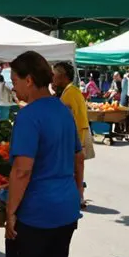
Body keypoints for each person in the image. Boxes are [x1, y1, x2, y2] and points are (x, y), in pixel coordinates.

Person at [5, 51, 83, 257]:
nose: (13, 85)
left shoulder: (29, 116)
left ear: (29, 80)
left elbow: (22, 171)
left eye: (15, 79)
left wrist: (10, 212)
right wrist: (77, 190)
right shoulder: (63, 110)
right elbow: (78, 157)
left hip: (36, 212)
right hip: (66, 208)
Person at [52, 61, 93, 208]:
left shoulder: (70, 93)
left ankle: (77, 196)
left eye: (54, 75)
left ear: (62, 76)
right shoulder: (70, 92)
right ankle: (78, 196)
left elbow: (77, 121)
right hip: (74, 140)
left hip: (73, 141)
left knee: (74, 171)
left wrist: (78, 145)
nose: (52, 78)